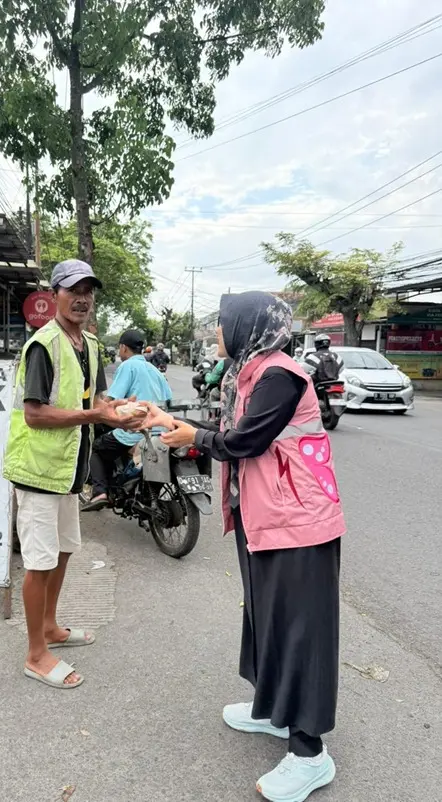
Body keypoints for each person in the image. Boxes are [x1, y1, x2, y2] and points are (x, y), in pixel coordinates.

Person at [141, 291, 345, 802]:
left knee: (299, 632)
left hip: (298, 522)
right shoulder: (248, 372)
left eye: (223, 322)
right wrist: (172, 422)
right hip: (265, 517)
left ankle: (310, 754)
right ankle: (275, 712)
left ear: (247, 327)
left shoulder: (278, 375)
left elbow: (245, 441)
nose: (217, 331)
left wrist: (193, 437)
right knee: (266, 618)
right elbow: (230, 431)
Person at [3, 259, 143, 690]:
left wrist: (117, 412)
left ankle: (49, 627)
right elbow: (34, 414)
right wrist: (94, 415)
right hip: (38, 470)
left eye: (88, 291)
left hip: (69, 471)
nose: (82, 299)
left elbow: (96, 398)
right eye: (73, 290)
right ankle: (35, 655)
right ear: (55, 295)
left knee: (63, 552)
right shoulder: (43, 345)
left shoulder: (91, 345)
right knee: (39, 563)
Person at [82, 328, 172, 511]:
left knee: (96, 448)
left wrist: (92, 410)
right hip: (161, 429)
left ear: (123, 347)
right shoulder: (154, 369)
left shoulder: (127, 366)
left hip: (136, 429)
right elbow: (168, 398)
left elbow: (110, 401)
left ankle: (100, 493)